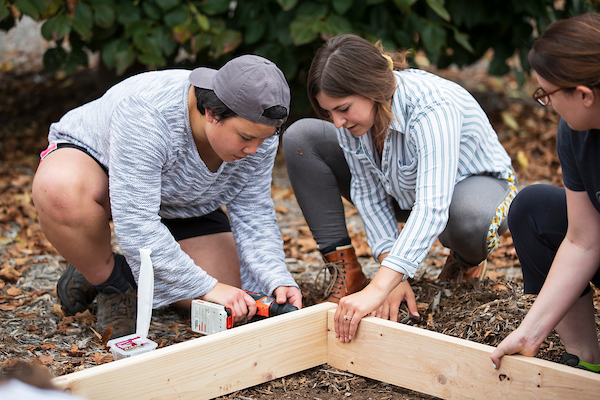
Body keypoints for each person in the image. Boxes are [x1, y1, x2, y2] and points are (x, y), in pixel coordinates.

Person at [32, 55, 302, 338]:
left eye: (266, 139)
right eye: (246, 138)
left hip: (183, 202)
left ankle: (124, 271)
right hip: (105, 178)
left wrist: (275, 278)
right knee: (59, 190)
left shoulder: (259, 130)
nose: (254, 150)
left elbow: (253, 211)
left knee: (231, 294)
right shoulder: (147, 112)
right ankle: (110, 282)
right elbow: (136, 220)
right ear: (211, 112)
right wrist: (206, 287)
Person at [282, 34, 516, 342]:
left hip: (472, 191)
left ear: (371, 88)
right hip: (403, 191)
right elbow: (368, 192)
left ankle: (465, 260)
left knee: (468, 217)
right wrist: (390, 269)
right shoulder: (354, 121)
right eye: (329, 113)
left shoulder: (432, 107)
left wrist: (380, 287)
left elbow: (433, 206)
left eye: (343, 109)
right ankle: (348, 274)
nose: (337, 123)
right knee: (302, 138)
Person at [491, 13, 600, 373]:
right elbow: (584, 241)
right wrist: (530, 331)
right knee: (533, 207)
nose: (547, 103)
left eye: (546, 94)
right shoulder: (576, 133)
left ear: (583, 94)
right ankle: (586, 361)